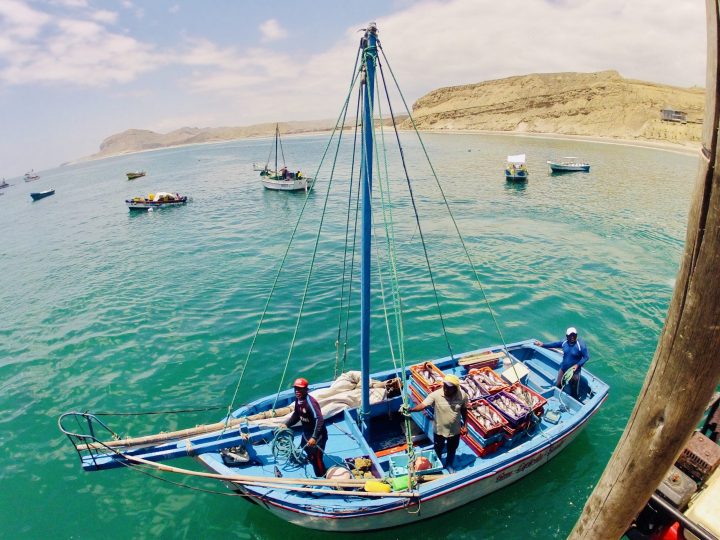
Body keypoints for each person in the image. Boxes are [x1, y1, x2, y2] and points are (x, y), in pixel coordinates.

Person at [402, 374, 468, 473]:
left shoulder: (462, 395)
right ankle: (437, 463)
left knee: (452, 449)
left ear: (455, 388)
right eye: (445, 386)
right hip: (439, 430)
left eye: (449, 388)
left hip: (455, 430)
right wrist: (411, 409)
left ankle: (449, 464)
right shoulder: (436, 395)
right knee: (438, 449)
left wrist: (465, 426)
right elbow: (423, 405)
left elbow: (464, 410)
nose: (446, 389)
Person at [283, 377, 327, 477]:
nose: (297, 391)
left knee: (317, 458)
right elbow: (297, 415)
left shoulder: (310, 403)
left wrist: (314, 437)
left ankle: (321, 475)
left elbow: (319, 419)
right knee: (305, 447)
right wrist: (286, 424)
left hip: (318, 436)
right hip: (307, 433)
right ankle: (310, 458)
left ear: (306, 389)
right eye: (296, 389)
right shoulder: (298, 400)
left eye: (300, 389)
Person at [534, 327, 589, 398]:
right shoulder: (564, 342)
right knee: (558, 385)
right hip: (563, 368)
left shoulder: (581, 345)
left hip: (574, 371)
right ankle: (557, 397)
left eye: (574, 335)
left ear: (576, 335)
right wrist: (543, 345)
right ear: (567, 336)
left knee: (574, 391)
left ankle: (573, 401)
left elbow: (586, 357)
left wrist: (577, 365)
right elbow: (554, 344)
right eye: (570, 335)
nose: (572, 337)